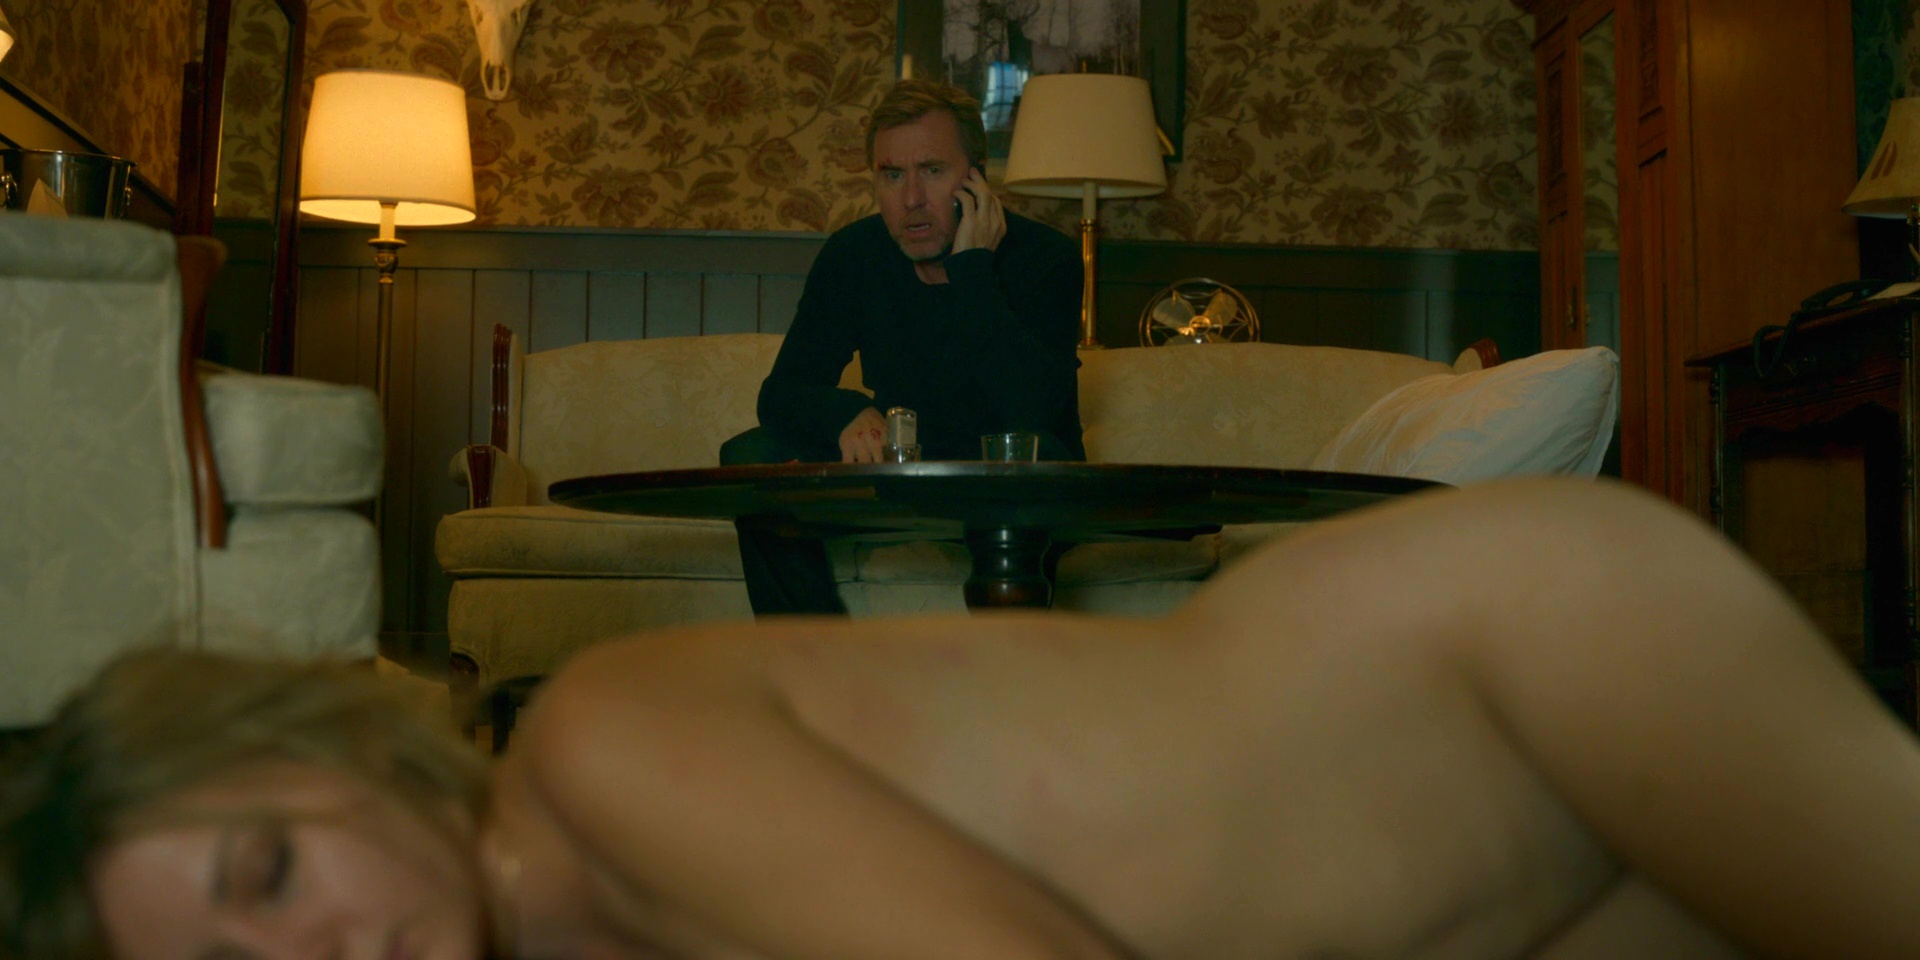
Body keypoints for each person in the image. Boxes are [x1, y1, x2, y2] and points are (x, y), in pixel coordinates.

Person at [11, 479, 1920, 960]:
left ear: (325, 755)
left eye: (269, 874)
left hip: (1497, 677)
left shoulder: (607, 744)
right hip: (1497, 915)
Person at [720, 79, 1085, 617]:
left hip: (1003, 480)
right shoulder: (854, 255)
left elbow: (1032, 411)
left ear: (976, 178)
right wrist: (846, 414)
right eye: (892, 175)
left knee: (1032, 455)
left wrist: (972, 270)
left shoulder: (1046, 258)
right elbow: (781, 392)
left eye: (932, 171)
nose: (911, 199)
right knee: (750, 455)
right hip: (900, 471)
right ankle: (810, 654)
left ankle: (1002, 659)